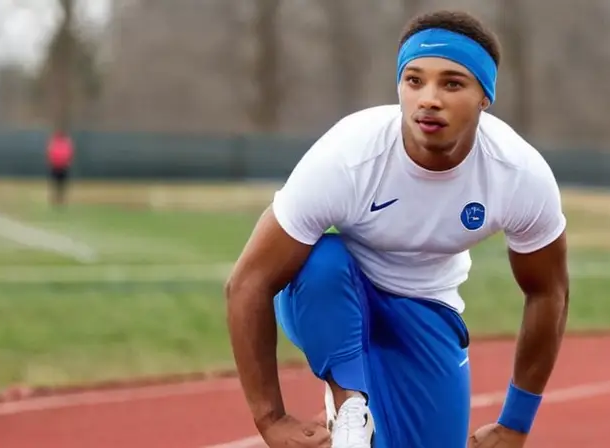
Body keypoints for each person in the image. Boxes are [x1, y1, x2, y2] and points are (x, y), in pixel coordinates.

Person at [225, 9, 570, 448]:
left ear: (485, 96)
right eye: (414, 81)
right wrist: (270, 417)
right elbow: (248, 282)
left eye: (452, 83)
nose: (429, 98)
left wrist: (516, 422)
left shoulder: (518, 174)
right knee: (318, 259)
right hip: (337, 293)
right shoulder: (348, 156)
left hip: (428, 306)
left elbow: (548, 292)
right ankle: (351, 406)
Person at [46, 130, 74, 207]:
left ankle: (60, 199)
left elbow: (69, 154)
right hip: (57, 166)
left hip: (61, 166)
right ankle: (57, 198)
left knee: (61, 184)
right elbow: (51, 154)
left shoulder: (64, 143)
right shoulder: (57, 143)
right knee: (57, 183)